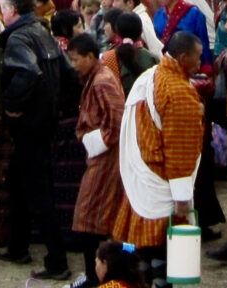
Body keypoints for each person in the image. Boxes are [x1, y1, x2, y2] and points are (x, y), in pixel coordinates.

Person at [112, 29, 206, 256]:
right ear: (183, 58)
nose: (200, 62)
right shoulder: (178, 91)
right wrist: (182, 197)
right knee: (162, 253)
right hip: (161, 180)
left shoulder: (151, 75)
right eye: (198, 56)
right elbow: (180, 149)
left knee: (138, 251)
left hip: (142, 176)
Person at [0, 0, 68, 276]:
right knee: (18, 182)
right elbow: (65, 70)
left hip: (29, 124)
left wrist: (12, 105)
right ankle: (18, 246)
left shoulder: (18, 37)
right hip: (46, 121)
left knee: (38, 191)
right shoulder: (42, 31)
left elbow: (27, 72)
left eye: (4, 8)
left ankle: (57, 262)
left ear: (13, 10)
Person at [68, 31, 126, 282]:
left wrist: (94, 143)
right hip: (100, 155)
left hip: (106, 157)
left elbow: (117, 120)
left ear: (91, 56)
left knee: (90, 216)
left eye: (76, 59)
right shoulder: (95, 77)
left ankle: (97, 277)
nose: (73, 65)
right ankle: (97, 275)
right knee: (93, 219)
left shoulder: (102, 80)